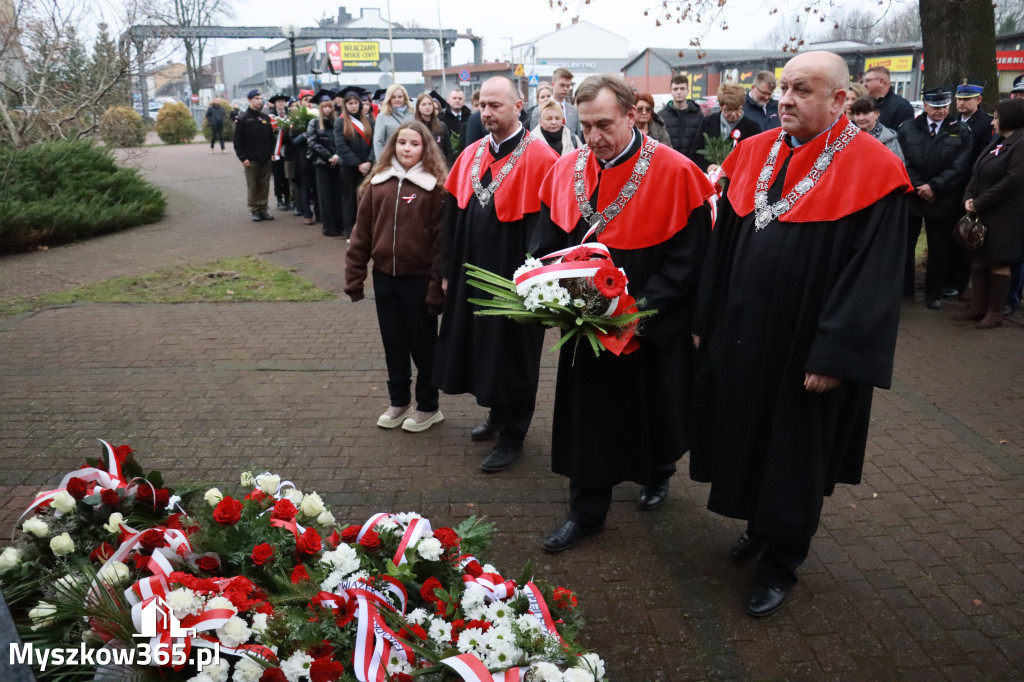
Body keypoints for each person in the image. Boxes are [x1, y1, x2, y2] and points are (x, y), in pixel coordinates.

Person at [690, 51, 912, 618]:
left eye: (803, 90)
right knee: (748, 435)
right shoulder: (752, 152)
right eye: (784, 88)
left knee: (793, 448)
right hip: (744, 334)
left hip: (805, 343)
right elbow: (721, 248)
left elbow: (875, 279)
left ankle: (783, 558)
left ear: (841, 100)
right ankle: (759, 527)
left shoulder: (875, 169)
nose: (786, 99)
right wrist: (705, 323)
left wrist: (835, 353)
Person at [529, 74, 715, 553]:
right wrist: (552, 295)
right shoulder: (568, 167)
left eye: (604, 125)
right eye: (585, 125)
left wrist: (636, 314)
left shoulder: (676, 171)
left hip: (650, 320)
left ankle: (657, 472)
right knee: (588, 416)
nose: (593, 138)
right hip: (586, 322)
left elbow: (687, 260)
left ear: (633, 114)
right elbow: (548, 243)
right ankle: (585, 510)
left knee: (652, 407)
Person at [435, 76, 559, 473]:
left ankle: (514, 434)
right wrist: (445, 271)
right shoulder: (470, 153)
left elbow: (549, 228)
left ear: (518, 106)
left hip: (514, 276)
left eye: (495, 105)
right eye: (482, 105)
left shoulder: (541, 158)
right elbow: (451, 218)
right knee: (482, 348)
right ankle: (495, 413)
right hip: (471, 271)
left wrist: (536, 281)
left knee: (514, 353)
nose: (486, 112)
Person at [345, 121, 448, 431]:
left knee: (423, 346)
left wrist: (436, 287)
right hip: (385, 279)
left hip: (419, 281)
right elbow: (361, 234)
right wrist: (354, 275)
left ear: (425, 148)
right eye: (402, 142)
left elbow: (442, 243)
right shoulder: (378, 185)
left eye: (414, 144)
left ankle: (429, 406)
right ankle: (399, 401)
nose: (407, 148)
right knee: (393, 343)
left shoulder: (435, 189)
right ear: (393, 146)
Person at [898, 87, 974, 308]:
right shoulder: (908, 129)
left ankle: (934, 294)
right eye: (936, 106)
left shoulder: (961, 131)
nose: (941, 111)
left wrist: (935, 188)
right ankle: (905, 290)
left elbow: (960, 166)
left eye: (944, 106)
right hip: (912, 197)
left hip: (942, 199)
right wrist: (919, 186)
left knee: (939, 249)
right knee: (906, 246)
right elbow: (901, 161)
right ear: (925, 106)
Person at [954, 99, 1024, 328]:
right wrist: (969, 197)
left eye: (996, 117)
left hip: (1005, 214)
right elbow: (978, 169)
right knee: (979, 258)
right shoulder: (999, 139)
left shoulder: (1020, 143)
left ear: (1009, 119)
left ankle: (995, 312)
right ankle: (978, 305)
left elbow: (1012, 180)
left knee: (998, 260)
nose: (993, 121)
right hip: (983, 210)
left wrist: (980, 202)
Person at [691, 82, 762, 172]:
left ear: (742, 105)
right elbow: (695, 154)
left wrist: (731, 170)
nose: (733, 114)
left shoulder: (753, 128)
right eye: (728, 110)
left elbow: (756, 161)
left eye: (737, 109)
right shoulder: (708, 122)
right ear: (720, 106)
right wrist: (708, 167)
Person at [334, 89, 375, 240]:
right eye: (350, 103)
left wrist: (369, 161)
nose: (354, 106)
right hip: (349, 167)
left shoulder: (369, 121)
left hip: (367, 166)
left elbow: (374, 145)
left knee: (366, 199)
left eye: (356, 103)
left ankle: (366, 230)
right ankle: (350, 231)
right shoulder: (340, 122)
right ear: (345, 105)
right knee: (350, 199)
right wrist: (358, 163)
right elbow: (341, 146)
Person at [306, 90, 345, 238]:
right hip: (322, 164)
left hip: (338, 163)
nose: (327, 109)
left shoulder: (338, 122)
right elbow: (312, 143)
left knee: (338, 196)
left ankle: (340, 225)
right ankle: (329, 227)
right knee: (325, 196)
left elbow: (342, 141)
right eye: (324, 107)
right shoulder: (314, 123)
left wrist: (337, 155)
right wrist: (329, 156)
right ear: (320, 109)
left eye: (329, 106)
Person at [233, 89, 276, 222]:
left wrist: (272, 153)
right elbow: (237, 142)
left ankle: (263, 209)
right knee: (253, 185)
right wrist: (243, 158)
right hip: (251, 159)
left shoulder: (265, 118)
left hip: (265, 158)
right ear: (250, 100)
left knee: (264, 184)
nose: (259, 101)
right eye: (256, 98)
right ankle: (255, 210)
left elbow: (271, 138)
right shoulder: (243, 118)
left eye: (260, 98)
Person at [658, 73, 704, 164]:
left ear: (688, 91)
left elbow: (702, 144)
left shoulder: (699, 115)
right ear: (671, 91)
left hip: (692, 165)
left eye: (682, 88)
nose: (679, 92)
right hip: (669, 165)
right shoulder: (661, 116)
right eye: (675, 89)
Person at [849, 95, 904, 162]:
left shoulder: (889, 140)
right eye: (857, 114)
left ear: (877, 114)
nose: (861, 118)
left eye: (865, 113)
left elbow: (898, 167)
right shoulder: (847, 137)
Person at [530, 68, 580, 137]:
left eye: (568, 86)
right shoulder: (539, 110)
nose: (565, 89)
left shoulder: (574, 111)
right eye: (562, 85)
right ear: (553, 84)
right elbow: (534, 138)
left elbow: (577, 138)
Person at [373, 84, 415, 157]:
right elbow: (378, 142)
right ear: (389, 99)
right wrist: (382, 163)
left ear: (404, 98)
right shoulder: (383, 116)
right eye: (394, 97)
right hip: (391, 158)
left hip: (411, 156)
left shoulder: (412, 115)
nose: (397, 100)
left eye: (400, 97)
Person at [413, 92, 453, 164]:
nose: (427, 107)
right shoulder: (414, 127)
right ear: (418, 108)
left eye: (429, 104)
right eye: (424, 104)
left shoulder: (441, 126)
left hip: (440, 165)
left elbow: (448, 151)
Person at [268, 93, 292, 212]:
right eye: (278, 101)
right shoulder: (271, 116)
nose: (281, 103)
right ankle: (279, 200)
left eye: (283, 101)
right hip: (276, 150)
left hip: (287, 148)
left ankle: (288, 198)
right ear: (275, 103)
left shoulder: (290, 115)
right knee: (278, 175)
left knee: (287, 175)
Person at [441, 88, 472, 157]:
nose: (457, 100)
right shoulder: (441, 119)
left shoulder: (471, 118)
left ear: (464, 101)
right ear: (448, 100)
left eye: (460, 98)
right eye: (454, 98)